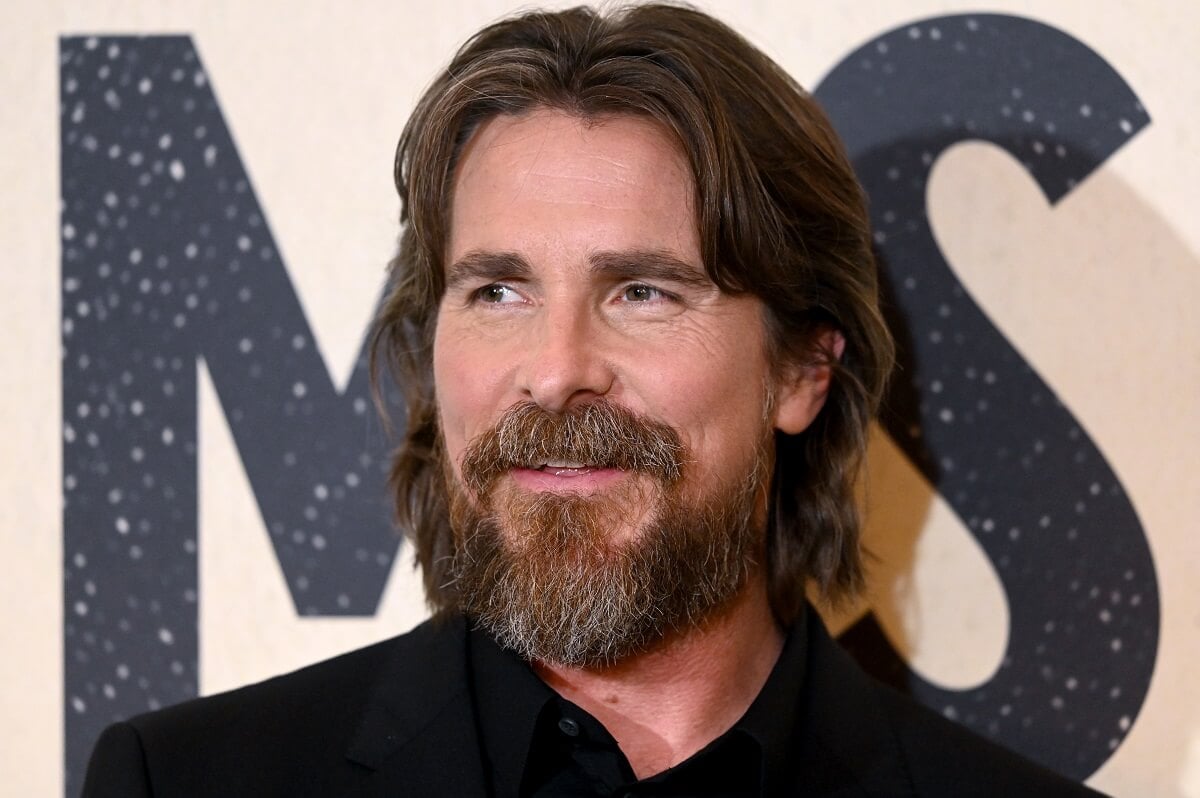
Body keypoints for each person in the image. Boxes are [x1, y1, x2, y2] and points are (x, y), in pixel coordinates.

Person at [83, 4, 1105, 796]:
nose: (558, 366)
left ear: (803, 372)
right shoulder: (186, 783)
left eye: (643, 291)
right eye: (498, 290)